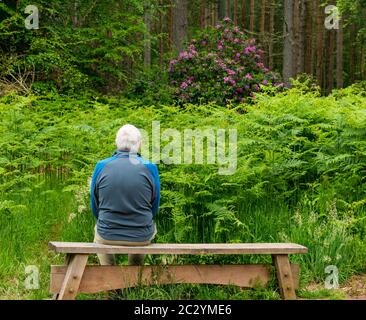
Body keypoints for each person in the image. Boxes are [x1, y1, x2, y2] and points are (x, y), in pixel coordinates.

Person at [90, 124, 160, 266]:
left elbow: (95, 204)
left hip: (107, 233)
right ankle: (134, 277)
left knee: (98, 233)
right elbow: (154, 205)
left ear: (116, 142)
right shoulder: (150, 167)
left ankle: (110, 277)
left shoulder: (101, 166)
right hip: (141, 236)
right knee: (146, 232)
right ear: (139, 144)